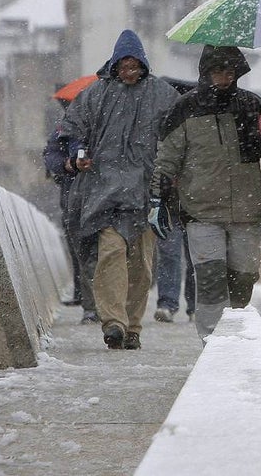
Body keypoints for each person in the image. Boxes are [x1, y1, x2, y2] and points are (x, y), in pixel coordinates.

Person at [59, 29, 179, 350]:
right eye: (123, 67)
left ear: (143, 65)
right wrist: (78, 153)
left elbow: (179, 134)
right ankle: (113, 322)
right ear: (114, 65)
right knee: (110, 254)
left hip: (144, 194)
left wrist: (173, 172)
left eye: (134, 66)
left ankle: (133, 325)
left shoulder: (162, 95)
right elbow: (72, 130)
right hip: (104, 192)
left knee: (140, 264)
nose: (129, 73)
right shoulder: (96, 95)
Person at [149, 45, 261, 341]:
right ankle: (213, 340)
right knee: (210, 278)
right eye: (219, 71)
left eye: (230, 71)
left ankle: (235, 331)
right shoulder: (185, 109)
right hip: (201, 209)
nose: (225, 78)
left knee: (244, 277)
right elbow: (167, 159)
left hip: (246, 208)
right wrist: (158, 199)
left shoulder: (251, 105)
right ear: (206, 73)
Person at [42, 118, 99, 323]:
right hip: (75, 199)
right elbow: (51, 155)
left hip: (112, 196)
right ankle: (92, 306)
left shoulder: (118, 118)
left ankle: (108, 305)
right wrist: (67, 164)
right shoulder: (67, 125)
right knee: (84, 252)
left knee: (110, 252)